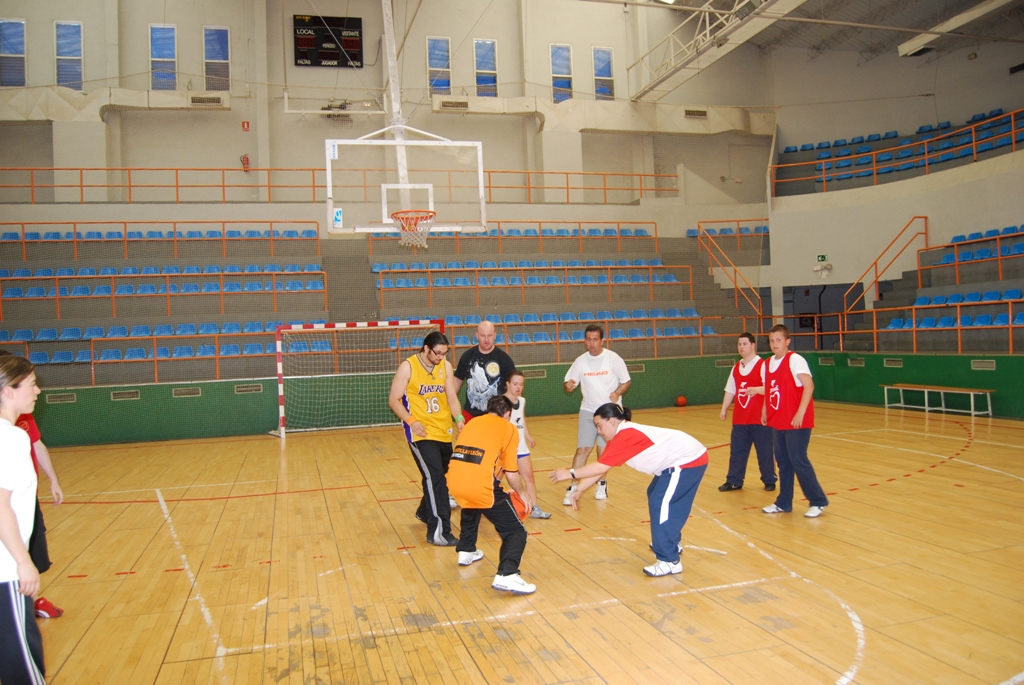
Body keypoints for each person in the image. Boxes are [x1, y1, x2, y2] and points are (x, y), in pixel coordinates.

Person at [549, 403, 707, 577]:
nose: (599, 431)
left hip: (686, 461)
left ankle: (670, 560)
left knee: (660, 503)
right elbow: (602, 467)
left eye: (600, 425)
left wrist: (570, 473)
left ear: (612, 421)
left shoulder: (627, 434)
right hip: (678, 461)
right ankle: (670, 542)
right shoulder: (617, 438)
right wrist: (579, 489)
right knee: (655, 494)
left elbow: (600, 467)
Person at [448, 395, 536, 594]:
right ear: (507, 414)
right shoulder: (508, 428)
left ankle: (466, 549)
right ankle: (508, 575)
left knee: (472, 505)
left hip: (455, 480)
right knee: (515, 531)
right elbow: (512, 472)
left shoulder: (472, 423)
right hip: (480, 485)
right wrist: (522, 494)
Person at [388, 331, 465, 546]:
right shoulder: (408, 367)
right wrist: (412, 421)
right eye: (437, 353)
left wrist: (458, 417)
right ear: (426, 348)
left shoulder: (446, 366)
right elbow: (393, 400)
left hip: (443, 431)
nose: (441, 357)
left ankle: (424, 511)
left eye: (444, 354)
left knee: (443, 476)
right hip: (420, 433)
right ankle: (439, 531)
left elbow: (451, 396)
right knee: (435, 478)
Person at [0, 354, 47, 683]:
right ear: (7, 391)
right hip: (5, 571)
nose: (38, 391)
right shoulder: (10, 438)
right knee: (24, 669)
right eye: (31, 384)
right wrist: (22, 561)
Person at [756, 324, 829, 518]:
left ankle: (818, 501)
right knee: (783, 462)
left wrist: (800, 413)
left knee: (798, 460)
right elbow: (769, 390)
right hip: (777, 420)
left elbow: (809, 385)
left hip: (797, 421)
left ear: (787, 341)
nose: (774, 344)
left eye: (778, 340)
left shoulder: (795, 360)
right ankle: (783, 502)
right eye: (771, 340)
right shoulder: (767, 364)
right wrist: (765, 410)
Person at [562, 325, 631, 504]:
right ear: (584, 341)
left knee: (603, 451)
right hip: (588, 409)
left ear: (602, 341)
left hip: (609, 413)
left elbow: (626, 381)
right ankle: (574, 485)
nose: (591, 343)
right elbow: (569, 383)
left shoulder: (613, 358)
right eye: (588, 339)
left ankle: (601, 483)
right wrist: (568, 385)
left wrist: (617, 393)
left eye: (595, 339)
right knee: (582, 449)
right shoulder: (580, 361)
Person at [718, 332, 776, 492]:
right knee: (737, 451)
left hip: (760, 419)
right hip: (740, 419)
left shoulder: (763, 365)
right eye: (739, 344)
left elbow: (771, 388)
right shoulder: (736, 368)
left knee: (764, 451)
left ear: (753, 345)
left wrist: (757, 389)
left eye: (744, 344)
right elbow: (730, 390)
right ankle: (734, 480)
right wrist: (724, 408)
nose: (741, 347)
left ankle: (769, 479)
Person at [503, 370, 551, 519]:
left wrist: (528, 436)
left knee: (529, 478)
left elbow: (521, 419)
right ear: (508, 384)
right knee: (495, 480)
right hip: (505, 448)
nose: (518, 387)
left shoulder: (522, 401)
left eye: (521, 384)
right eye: (515, 384)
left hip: (521, 447)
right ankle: (486, 506)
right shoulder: (500, 402)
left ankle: (534, 508)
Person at [453, 320, 516, 422]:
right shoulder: (467, 356)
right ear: (477, 335)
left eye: (489, 335)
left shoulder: (504, 359)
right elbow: (456, 381)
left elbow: (513, 384)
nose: (486, 339)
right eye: (482, 335)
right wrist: (448, 402)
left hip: (497, 415)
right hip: (471, 415)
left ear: (495, 336)